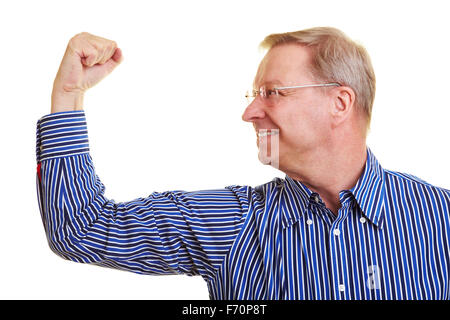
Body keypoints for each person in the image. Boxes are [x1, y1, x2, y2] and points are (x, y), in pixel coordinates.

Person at [36, 28, 450, 300]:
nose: (250, 112)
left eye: (272, 93)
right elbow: (81, 230)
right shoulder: (231, 221)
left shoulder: (441, 218)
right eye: (254, 95)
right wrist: (68, 95)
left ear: (339, 103)